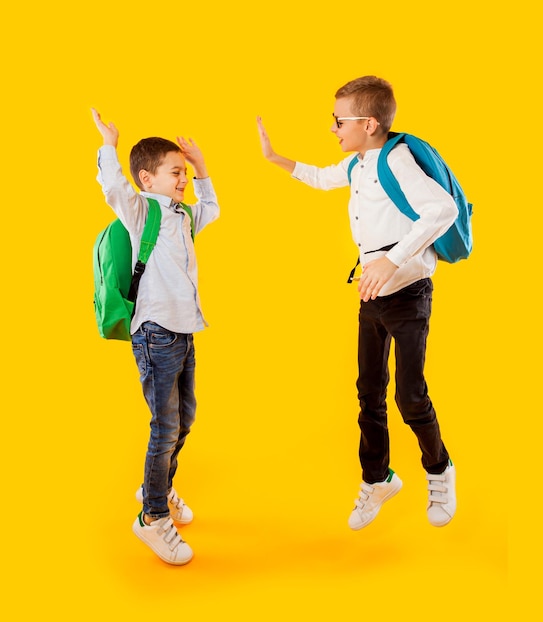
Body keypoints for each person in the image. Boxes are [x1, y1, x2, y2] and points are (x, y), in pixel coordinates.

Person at [257, 76, 458, 529]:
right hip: (371, 294)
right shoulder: (360, 163)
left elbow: (441, 209)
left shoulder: (397, 158)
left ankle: (440, 469)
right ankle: (378, 478)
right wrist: (275, 159)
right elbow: (322, 177)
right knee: (369, 393)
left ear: (368, 124)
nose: (333, 128)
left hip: (407, 294)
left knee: (410, 395)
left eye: (338, 120)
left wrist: (392, 258)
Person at [92, 109, 220, 564]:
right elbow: (113, 189)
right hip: (156, 333)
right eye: (176, 172)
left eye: (184, 173)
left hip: (184, 332)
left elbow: (214, 208)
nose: (183, 178)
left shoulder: (184, 215)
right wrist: (109, 144)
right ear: (147, 179)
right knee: (164, 426)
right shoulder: (142, 210)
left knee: (184, 419)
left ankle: (155, 486)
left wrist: (202, 167)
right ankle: (152, 516)